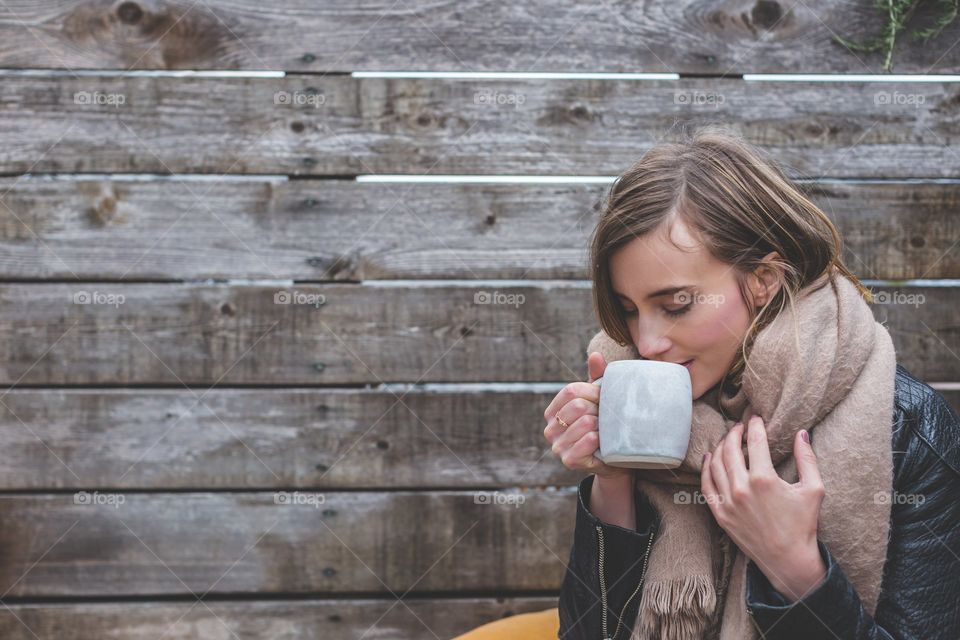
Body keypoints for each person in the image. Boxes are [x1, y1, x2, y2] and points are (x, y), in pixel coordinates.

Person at [453, 127, 959, 639]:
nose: (647, 343)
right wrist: (613, 480)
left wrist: (794, 567)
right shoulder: (639, 404)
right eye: (629, 310)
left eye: (676, 305)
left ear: (764, 280)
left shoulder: (908, 431)